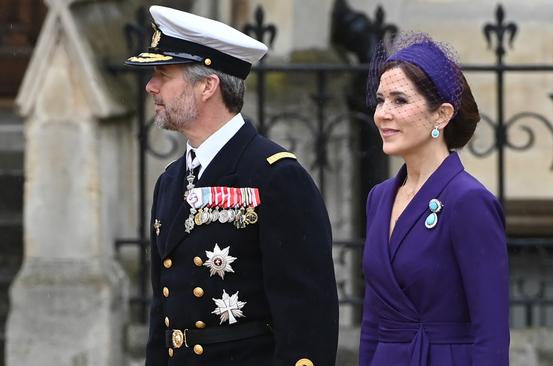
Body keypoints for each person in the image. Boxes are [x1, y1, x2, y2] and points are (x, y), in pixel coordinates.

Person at [124, 6, 339, 366]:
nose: (151, 86)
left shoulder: (275, 176)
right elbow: (162, 314)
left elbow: (307, 317)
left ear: (208, 85)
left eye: (164, 74)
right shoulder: (170, 180)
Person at [359, 32, 510, 366]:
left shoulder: (468, 200)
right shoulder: (379, 198)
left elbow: (492, 330)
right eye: (381, 100)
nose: (383, 113)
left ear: (441, 115)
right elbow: (372, 318)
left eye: (399, 100)